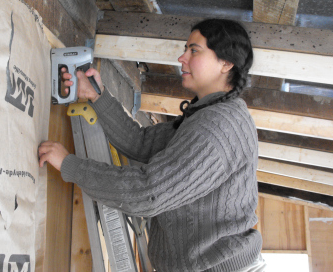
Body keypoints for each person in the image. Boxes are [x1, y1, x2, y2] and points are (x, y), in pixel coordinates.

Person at [38, 18, 265, 272]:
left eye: (194, 50)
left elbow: (149, 192)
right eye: (185, 49)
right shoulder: (209, 113)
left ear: (226, 63)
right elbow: (142, 143)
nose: (182, 57)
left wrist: (71, 165)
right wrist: (97, 96)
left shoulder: (218, 127)